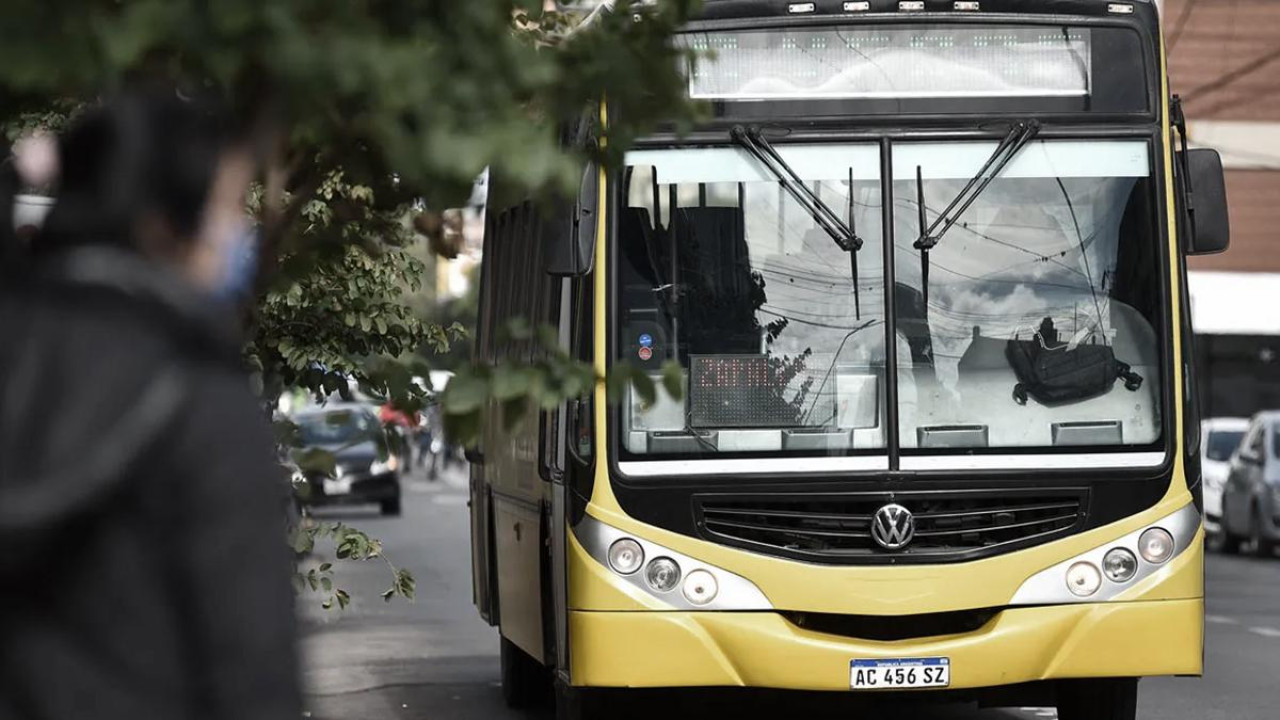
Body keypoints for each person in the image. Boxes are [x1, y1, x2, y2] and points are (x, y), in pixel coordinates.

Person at [0, 91, 300, 720]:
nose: (238, 233)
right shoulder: (202, 408)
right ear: (160, 224)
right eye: (226, 208)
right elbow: (252, 674)